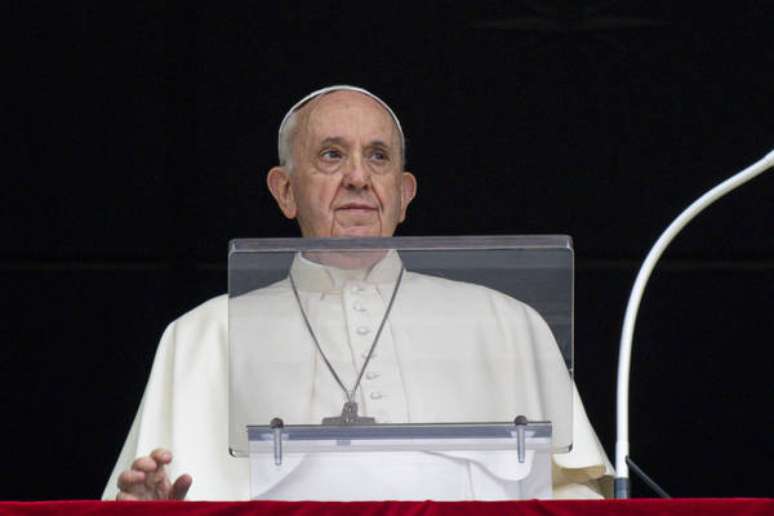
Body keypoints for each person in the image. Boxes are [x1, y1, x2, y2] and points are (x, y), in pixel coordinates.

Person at [104, 85, 613, 501]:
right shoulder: (204, 335)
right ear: (284, 190)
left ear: (404, 194)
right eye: (331, 155)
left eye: (378, 157)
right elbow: (154, 499)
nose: (357, 178)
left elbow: (577, 496)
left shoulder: (507, 322)